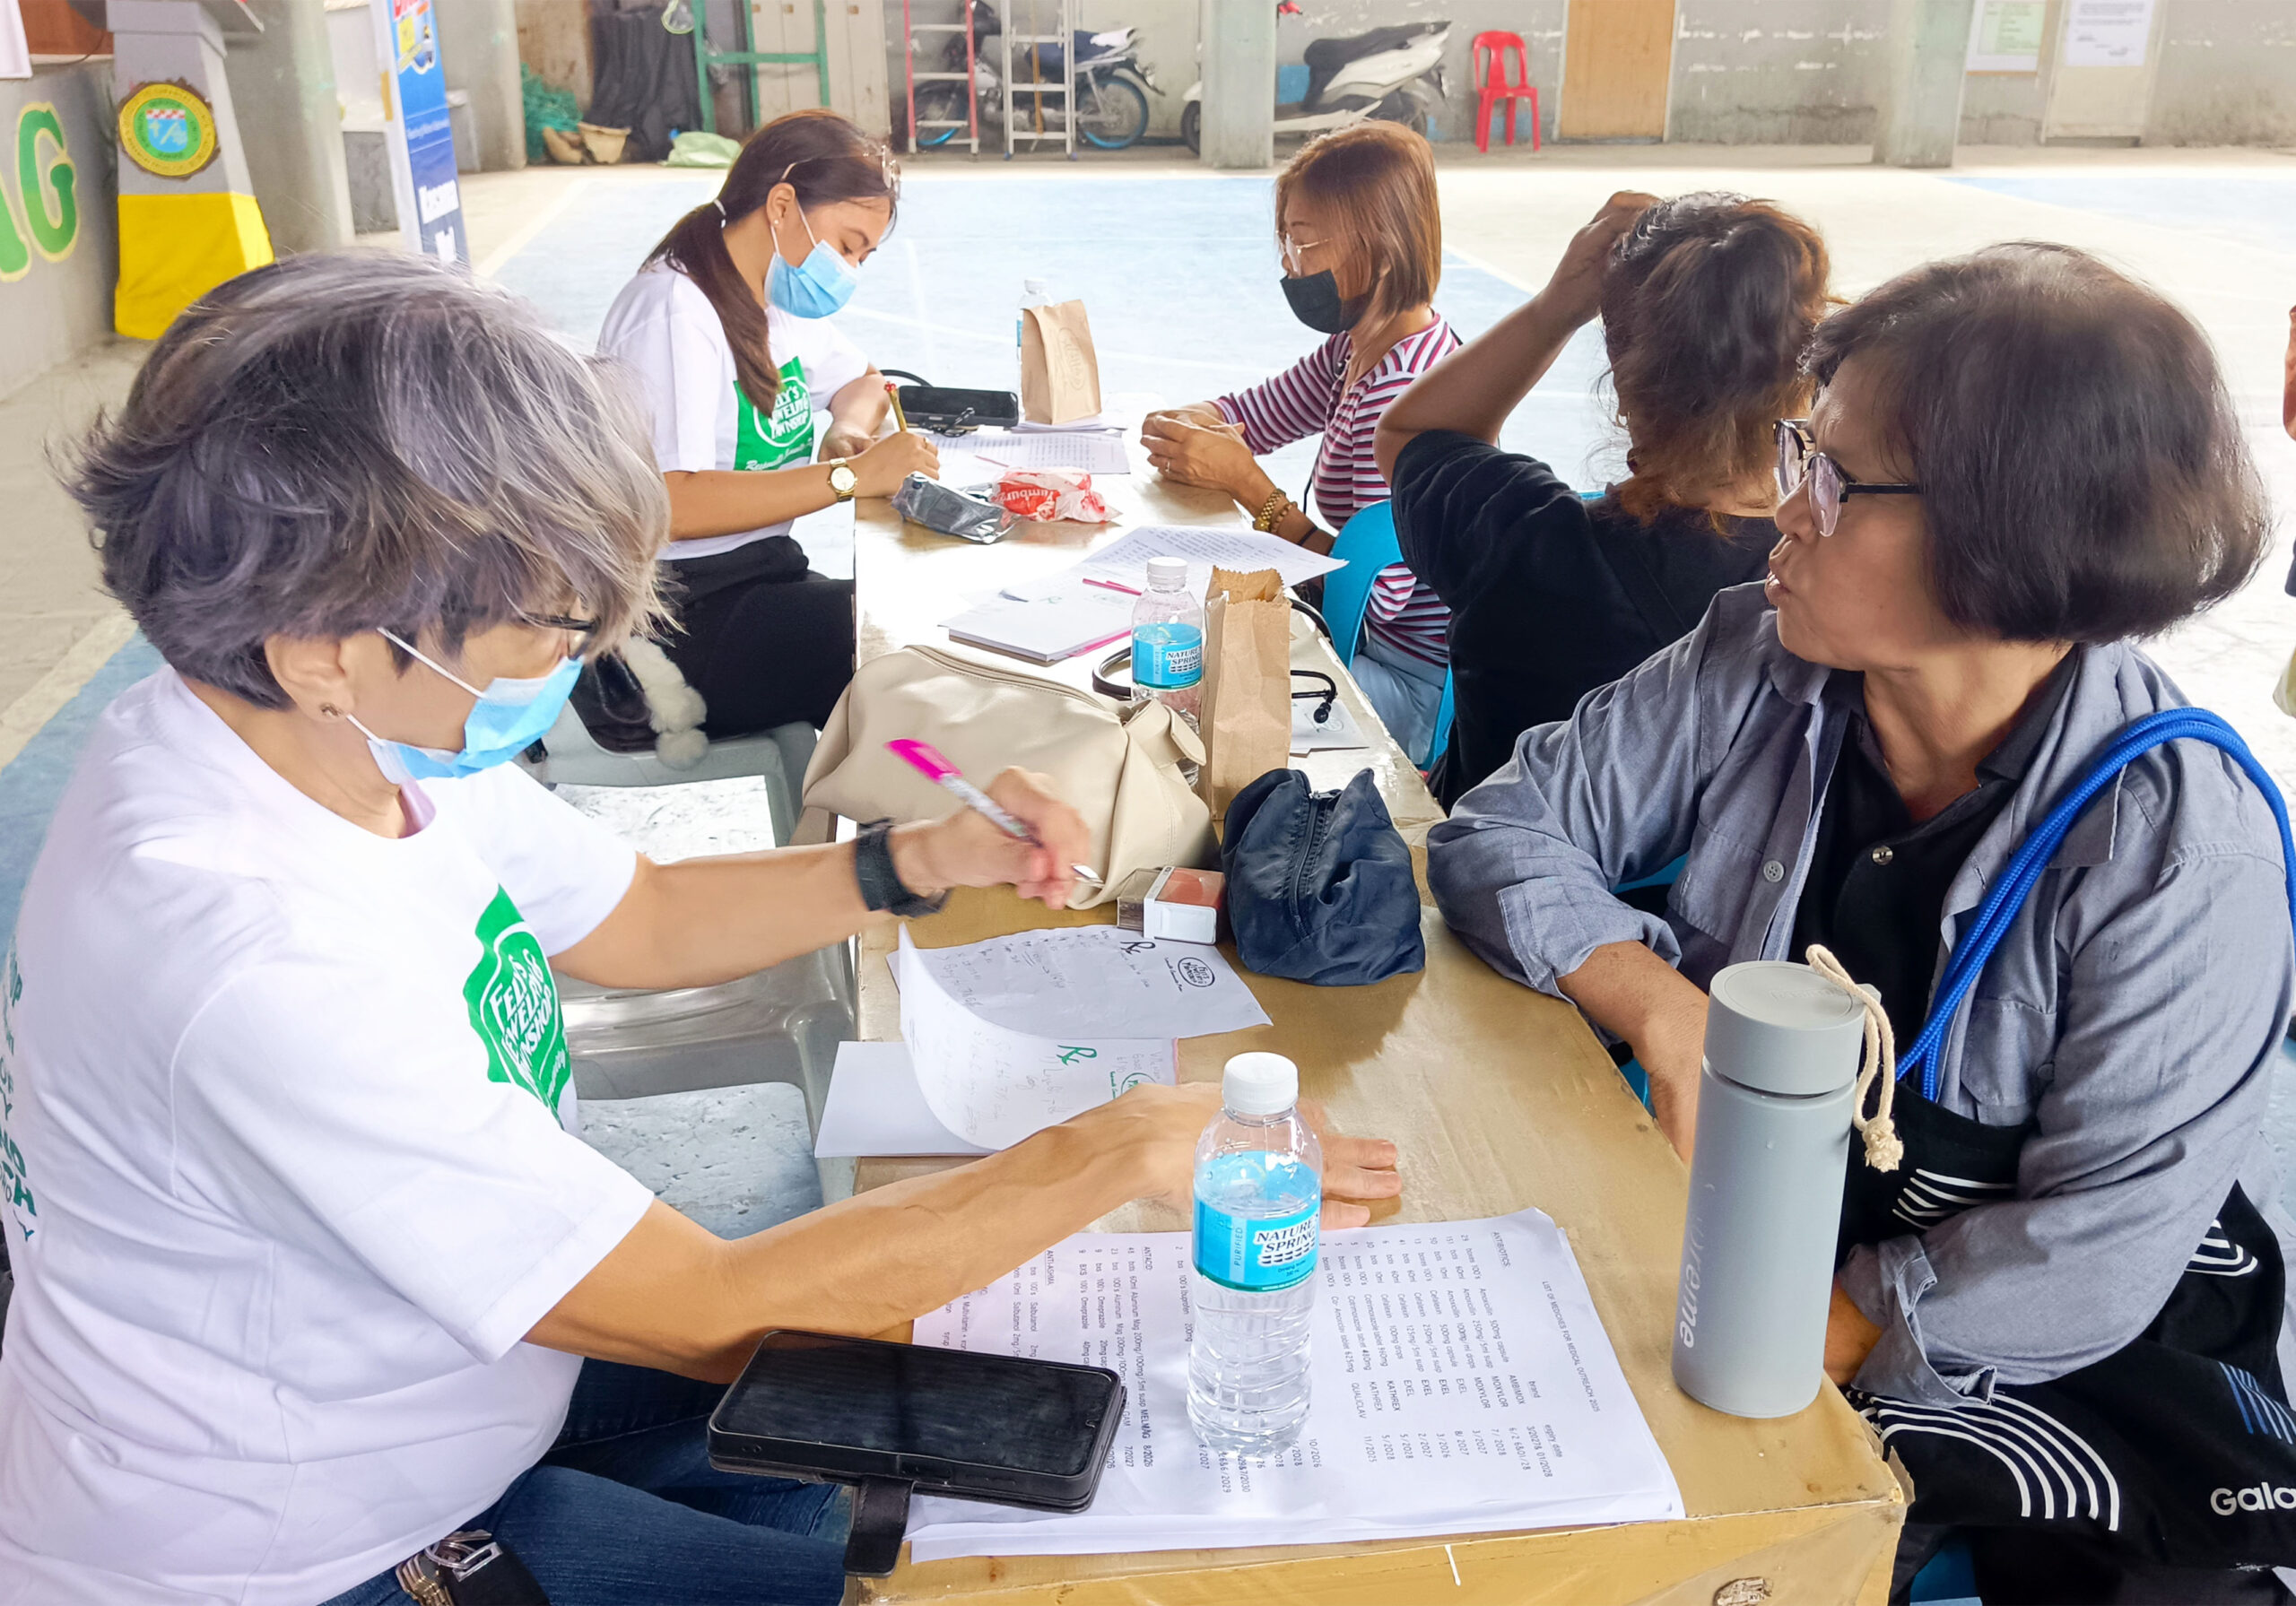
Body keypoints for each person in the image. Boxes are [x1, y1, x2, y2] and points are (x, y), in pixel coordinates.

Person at [0, 252, 1401, 1606]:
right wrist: (1115, 1143)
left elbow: (641, 913)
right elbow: (712, 1300)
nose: (570, 660)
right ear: (326, 644)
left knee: (961, 1400)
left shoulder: (328, 725)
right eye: (543, 632)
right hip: (314, 1543)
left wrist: (910, 857)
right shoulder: (247, 948)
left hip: (459, 1378)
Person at [1428, 242, 2296, 1603]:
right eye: (1799, 451)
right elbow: (1498, 828)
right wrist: (1664, 1009)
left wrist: (1781, 1342)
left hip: (2056, 1330)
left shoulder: (2179, 846)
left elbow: (2095, 1251)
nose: (1783, 507)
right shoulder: (1751, 659)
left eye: (1831, 478)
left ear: (2008, 534)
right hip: (1775, 1246)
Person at [1375, 190, 1830, 809]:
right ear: (1810, 366)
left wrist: (1554, 310)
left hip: (1482, 867)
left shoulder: (1519, 536)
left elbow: (1409, 435)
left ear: (1623, 372)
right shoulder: (1840, 587)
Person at [595, 109, 938, 742]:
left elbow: (866, 381)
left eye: (863, 257)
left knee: (905, 634)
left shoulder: (774, 299)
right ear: (782, 206)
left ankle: (879, 800)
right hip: (675, 617)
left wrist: (845, 429)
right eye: (847, 246)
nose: (849, 271)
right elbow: (671, 504)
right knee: (899, 654)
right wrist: (848, 477)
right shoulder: (676, 313)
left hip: (758, 577)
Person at [1137, 122, 1459, 763]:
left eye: (1304, 241)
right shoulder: (1355, 350)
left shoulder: (1408, 394)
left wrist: (1249, 487)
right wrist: (1186, 426)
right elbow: (1250, 414)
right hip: (1359, 644)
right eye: (1286, 239)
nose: (1290, 264)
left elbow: (1366, 598)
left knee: (1188, 682)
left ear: (1381, 245)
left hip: (1403, 681)